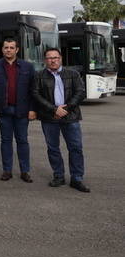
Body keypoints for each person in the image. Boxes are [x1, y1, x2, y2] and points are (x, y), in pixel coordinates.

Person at [32, 48, 90, 192]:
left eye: (55, 57)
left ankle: (77, 178)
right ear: (45, 60)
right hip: (49, 117)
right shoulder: (39, 76)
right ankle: (59, 176)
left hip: (71, 117)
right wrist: (54, 109)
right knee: (53, 148)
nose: (53, 60)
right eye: (49, 58)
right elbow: (36, 94)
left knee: (75, 148)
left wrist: (66, 109)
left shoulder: (73, 74)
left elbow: (80, 92)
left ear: (61, 58)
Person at [0, 37, 36, 182]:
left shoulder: (28, 67)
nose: (8, 50)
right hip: (3, 111)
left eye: (11, 47)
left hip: (22, 111)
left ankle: (25, 171)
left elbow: (33, 90)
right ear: (2, 49)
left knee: (23, 141)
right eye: (6, 47)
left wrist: (32, 109)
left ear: (17, 50)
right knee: (6, 141)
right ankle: (7, 170)